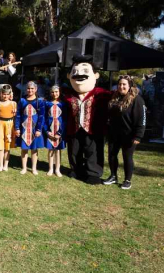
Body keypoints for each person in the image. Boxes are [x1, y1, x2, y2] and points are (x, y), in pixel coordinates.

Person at [63, 55, 111, 184]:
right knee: (74, 150)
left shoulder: (102, 94)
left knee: (93, 151)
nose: (79, 74)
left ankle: (93, 173)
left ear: (96, 75)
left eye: (85, 71)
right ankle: (76, 169)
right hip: (74, 128)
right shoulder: (67, 95)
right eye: (74, 71)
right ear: (69, 76)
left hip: (94, 129)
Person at [103, 75, 146, 190]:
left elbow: (142, 119)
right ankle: (113, 176)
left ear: (130, 86)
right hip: (114, 133)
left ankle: (127, 180)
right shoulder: (114, 98)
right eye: (120, 84)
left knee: (127, 157)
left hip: (129, 135)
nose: (121, 86)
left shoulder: (137, 99)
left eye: (124, 84)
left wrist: (138, 135)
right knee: (112, 155)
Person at [14, 81, 45, 175]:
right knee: (24, 148)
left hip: (34, 128)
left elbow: (41, 116)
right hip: (24, 128)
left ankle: (34, 168)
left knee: (34, 149)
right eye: (28, 88)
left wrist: (39, 129)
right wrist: (17, 128)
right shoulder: (22, 101)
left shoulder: (39, 101)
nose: (30, 90)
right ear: (26, 89)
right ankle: (24, 167)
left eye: (32, 88)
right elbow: (18, 115)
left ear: (35, 89)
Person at [44, 85, 67, 177]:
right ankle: (50, 168)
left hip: (59, 130)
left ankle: (57, 169)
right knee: (50, 150)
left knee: (57, 151)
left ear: (59, 92)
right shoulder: (47, 104)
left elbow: (65, 119)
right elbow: (44, 118)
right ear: (50, 93)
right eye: (53, 92)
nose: (55, 94)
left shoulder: (63, 104)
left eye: (56, 92)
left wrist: (60, 132)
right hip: (50, 129)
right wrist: (47, 131)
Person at [0, 84, 16, 171]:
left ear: (10, 94)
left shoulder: (13, 103)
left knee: (7, 145)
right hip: (0, 124)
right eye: (4, 94)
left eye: (7, 94)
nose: (5, 96)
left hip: (9, 124)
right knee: (0, 145)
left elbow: (15, 116)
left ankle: (5, 164)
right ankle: (0, 164)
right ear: (1, 94)